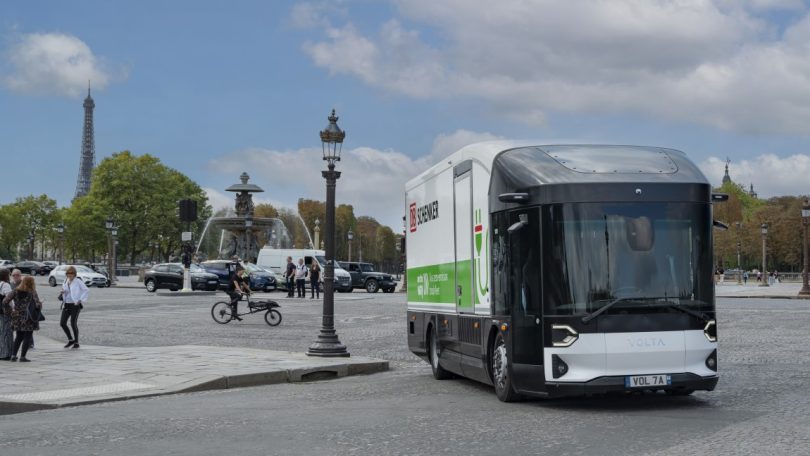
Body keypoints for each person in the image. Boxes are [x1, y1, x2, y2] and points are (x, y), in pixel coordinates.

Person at [2, 275, 42, 362]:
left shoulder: (15, 291)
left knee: (18, 336)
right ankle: (23, 357)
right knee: (27, 336)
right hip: (28, 317)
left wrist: (9, 311)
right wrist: (40, 304)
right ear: (32, 283)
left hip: (17, 316)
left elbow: (5, 301)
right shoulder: (32, 292)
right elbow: (37, 304)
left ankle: (13, 355)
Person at [60, 265, 89, 349]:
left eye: (71, 273)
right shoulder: (66, 280)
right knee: (62, 323)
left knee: (73, 323)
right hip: (67, 304)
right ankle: (70, 340)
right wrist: (63, 291)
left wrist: (80, 300)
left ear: (74, 274)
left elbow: (86, 290)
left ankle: (76, 342)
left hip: (75, 305)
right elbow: (66, 290)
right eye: (68, 273)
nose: (70, 275)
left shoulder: (78, 281)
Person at [0, 269, 13, 360]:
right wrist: (13, 308)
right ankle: (6, 353)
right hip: (5, 311)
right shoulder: (5, 285)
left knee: (2, 331)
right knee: (7, 332)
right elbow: (9, 299)